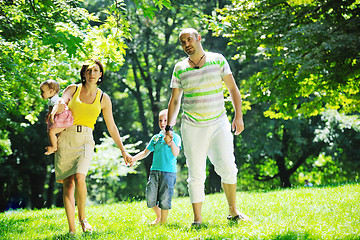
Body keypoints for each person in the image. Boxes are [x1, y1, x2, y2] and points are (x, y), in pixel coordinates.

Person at [165, 28, 250, 226]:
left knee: (228, 167)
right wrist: (169, 127)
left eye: (189, 39)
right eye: (182, 42)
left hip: (219, 123)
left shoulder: (218, 59)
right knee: (196, 174)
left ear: (198, 39)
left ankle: (233, 212)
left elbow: (232, 89)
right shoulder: (179, 68)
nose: (187, 44)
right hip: (192, 127)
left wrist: (239, 116)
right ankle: (197, 220)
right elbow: (175, 100)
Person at [55, 59, 132, 235]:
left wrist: (123, 150)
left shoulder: (104, 98)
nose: (91, 74)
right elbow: (63, 102)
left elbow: (112, 127)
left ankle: (83, 220)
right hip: (65, 137)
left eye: (95, 70)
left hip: (85, 140)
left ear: (100, 75)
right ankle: (72, 229)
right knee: (68, 185)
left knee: (80, 177)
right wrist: (59, 105)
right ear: (83, 73)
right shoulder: (72, 89)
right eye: (88, 70)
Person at [129, 109, 181, 225]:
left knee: (165, 198)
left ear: (172, 122)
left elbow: (176, 153)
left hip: (169, 173)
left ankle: (163, 222)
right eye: (160, 120)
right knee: (150, 197)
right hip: (154, 171)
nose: (162, 123)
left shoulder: (176, 137)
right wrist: (134, 158)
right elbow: (145, 152)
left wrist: (171, 143)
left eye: (166, 120)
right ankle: (158, 216)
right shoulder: (156, 138)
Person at [40, 80, 74, 155]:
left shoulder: (56, 99)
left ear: (51, 91)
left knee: (52, 132)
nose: (41, 94)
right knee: (50, 131)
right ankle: (52, 145)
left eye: (42, 91)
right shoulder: (51, 101)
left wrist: (52, 114)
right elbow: (51, 109)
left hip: (63, 118)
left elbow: (56, 106)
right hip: (59, 118)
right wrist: (48, 114)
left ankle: (54, 147)